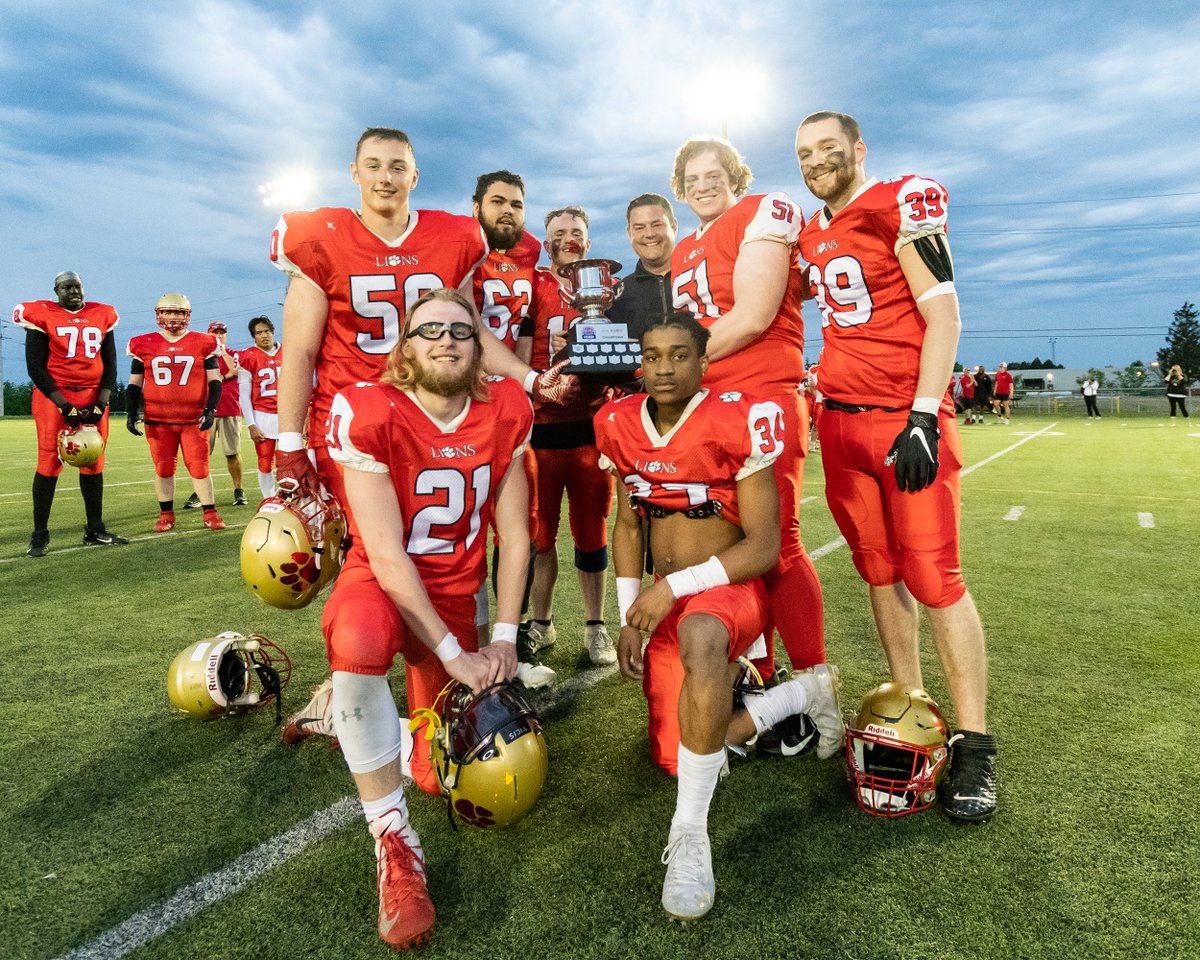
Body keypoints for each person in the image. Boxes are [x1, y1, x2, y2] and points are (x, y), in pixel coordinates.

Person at [596, 313, 843, 920]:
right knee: (676, 753)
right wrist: (631, 607)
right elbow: (627, 522)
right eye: (652, 356)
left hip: (730, 589)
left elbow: (762, 546)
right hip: (664, 593)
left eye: (680, 355)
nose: (664, 367)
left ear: (704, 363)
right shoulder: (616, 422)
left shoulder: (742, 415)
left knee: (703, 637)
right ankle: (800, 694)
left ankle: (690, 836)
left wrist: (674, 587)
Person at [795, 110, 997, 821]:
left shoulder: (898, 201)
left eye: (828, 148)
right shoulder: (812, 231)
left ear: (858, 148)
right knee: (879, 574)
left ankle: (974, 744)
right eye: (804, 153)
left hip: (902, 423)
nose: (816, 161)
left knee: (936, 579)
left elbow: (944, 316)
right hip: (842, 426)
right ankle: (915, 711)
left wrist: (922, 412)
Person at [321, 287, 529, 949]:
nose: (446, 340)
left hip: (455, 595)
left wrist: (502, 639)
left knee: (436, 773)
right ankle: (393, 843)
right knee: (357, 643)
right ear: (405, 348)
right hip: (382, 586)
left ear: (478, 348)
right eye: (429, 329)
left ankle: (334, 709)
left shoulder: (505, 409)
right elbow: (383, 552)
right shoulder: (372, 409)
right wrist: (452, 654)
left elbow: (517, 535)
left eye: (461, 332)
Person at [271, 127, 571, 521]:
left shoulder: (452, 238)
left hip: (435, 417)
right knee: (365, 552)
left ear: (414, 176)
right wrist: (290, 441)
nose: (385, 178)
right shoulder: (318, 237)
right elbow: (300, 350)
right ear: (354, 173)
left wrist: (529, 379)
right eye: (373, 166)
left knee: (445, 539)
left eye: (398, 167)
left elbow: (472, 331)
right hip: (352, 425)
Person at [668, 136, 827, 685]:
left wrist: (668, 368)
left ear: (736, 175)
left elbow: (754, 316)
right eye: (692, 178)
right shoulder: (685, 247)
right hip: (710, 403)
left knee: (776, 544)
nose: (703, 184)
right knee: (729, 546)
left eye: (714, 173)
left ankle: (813, 683)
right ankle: (756, 673)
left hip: (761, 396)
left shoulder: (763, 209)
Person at [516, 205, 617, 677]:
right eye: (560, 233)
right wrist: (538, 380)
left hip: (589, 432)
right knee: (539, 537)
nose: (569, 239)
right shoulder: (532, 287)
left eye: (577, 232)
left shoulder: (606, 288)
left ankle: (595, 624)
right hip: (539, 429)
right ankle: (543, 621)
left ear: (589, 242)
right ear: (546, 240)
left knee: (591, 533)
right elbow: (517, 350)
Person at [469, 170, 542, 658]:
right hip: (464, 402)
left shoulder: (532, 251)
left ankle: (509, 639)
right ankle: (468, 637)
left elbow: (528, 326)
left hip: (511, 404)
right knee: (463, 526)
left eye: (516, 203)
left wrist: (528, 383)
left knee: (521, 527)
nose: (507, 211)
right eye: (497, 202)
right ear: (475, 205)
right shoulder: (459, 244)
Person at [13, 270, 128, 556]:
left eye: (78, 286)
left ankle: (95, 529)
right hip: (55, 395)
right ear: (56, 291)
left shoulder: (102, 314)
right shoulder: (41, 314)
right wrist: (64, 405)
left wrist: (102, 401)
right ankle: (39, 534)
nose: (74, 291)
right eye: (67, 287)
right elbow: (35, 367)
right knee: (49, 461)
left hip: (93, 393)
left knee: (93, 459)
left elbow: (110, 363)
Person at [126, 293, 226, 532]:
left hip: (193, 418)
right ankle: (166, 515)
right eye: (168, 312)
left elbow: (215, 381)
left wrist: (210, 409)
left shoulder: (205, 342)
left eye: (179, 312)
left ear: (187, 315)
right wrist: (131, 413)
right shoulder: (143, 342)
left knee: (200, 467)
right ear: (158, 314)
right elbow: (134, 384)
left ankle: (210, 513)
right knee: (163, 467)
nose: (173, 317)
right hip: (158, 419)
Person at [185, 321, 246, 508]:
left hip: (230, 408)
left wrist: (223, 351)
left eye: (222, 333)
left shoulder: (233, 354)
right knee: (202, 454)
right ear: (208, 334)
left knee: (232, 453)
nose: (219, 336)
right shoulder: (202, 355)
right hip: (207, 410)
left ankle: (239, 490)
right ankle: (199, 492)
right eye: (215, 333)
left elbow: (233, 370)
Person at [607, 193, 677, 340]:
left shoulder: (699, 277)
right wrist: (564, 341)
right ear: (629, 233)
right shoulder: (616, 297)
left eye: (657, 225)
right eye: (639, 228)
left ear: (673, 227)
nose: (649, 234)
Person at [237, 315, 283, 500]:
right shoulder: (248, 356)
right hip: (263, 416)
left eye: (266, 331)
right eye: (259, 333)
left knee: (290, 461)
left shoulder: (288, 351)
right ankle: (269, 499)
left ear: (273, 332)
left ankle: (290, 498)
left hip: (288, 414)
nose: (264, 335)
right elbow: (244, 394)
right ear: (253, 337)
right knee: (265, 463)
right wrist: (251, 423)